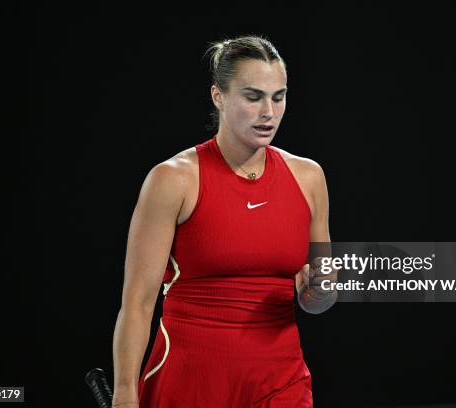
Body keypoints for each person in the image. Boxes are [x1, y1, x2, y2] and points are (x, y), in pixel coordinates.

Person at [111, 35, 337, 408]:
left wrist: (320, 292)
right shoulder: (172, 179)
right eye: (253, 97)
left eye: (278, 97)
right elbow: (137, 303)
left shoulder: (309, 177)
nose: (269, 111)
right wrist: (124, 396)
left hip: (281, 382)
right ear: (219, 96)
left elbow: (318, 297)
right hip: (191, 382)